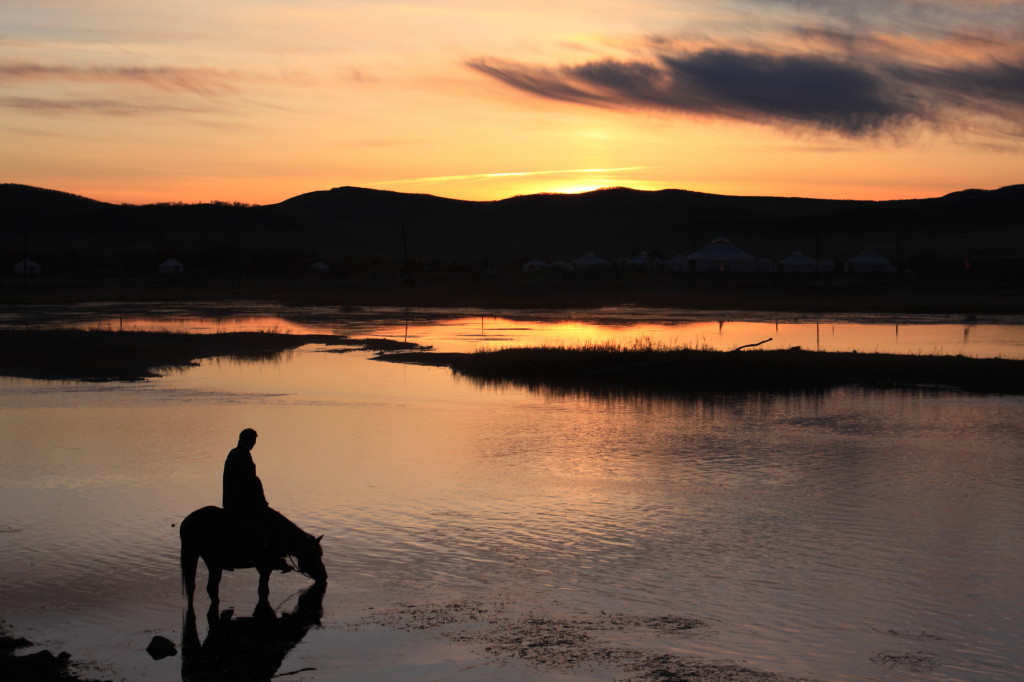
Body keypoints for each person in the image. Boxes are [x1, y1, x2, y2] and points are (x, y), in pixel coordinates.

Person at [222, 429, 286, 570]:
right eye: (253, 441)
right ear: (248, 440)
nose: (254, 444)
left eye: (254, 441)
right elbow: (250, 481)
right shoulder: (242, 455)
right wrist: (260, 502)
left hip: (234, 500)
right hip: (241, 502)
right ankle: (272, 558)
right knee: (271, 524)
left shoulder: (235, 453)